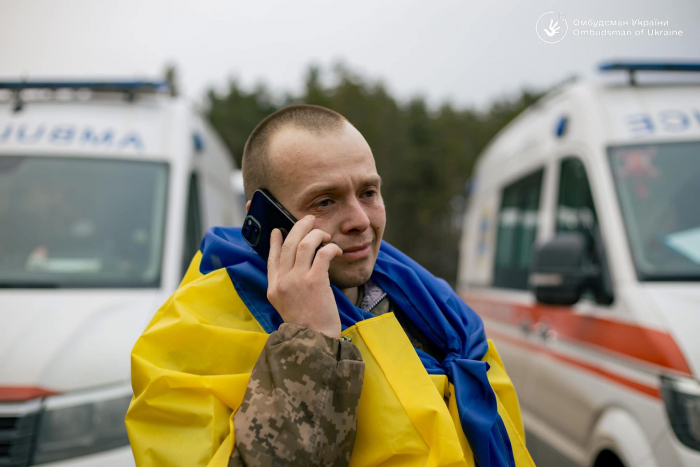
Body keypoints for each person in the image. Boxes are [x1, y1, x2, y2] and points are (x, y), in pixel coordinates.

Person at [125, 105, 534, 467]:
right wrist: (309, 344)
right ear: (262, 219)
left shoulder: (439, 311)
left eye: (368, 192)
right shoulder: (183, 340)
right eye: (325, 201)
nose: (360, 219)